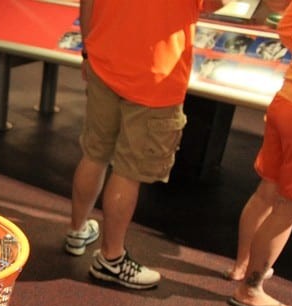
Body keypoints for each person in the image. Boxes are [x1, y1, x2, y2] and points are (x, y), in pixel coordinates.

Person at [64, 0, 205, 289]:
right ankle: (111, 259)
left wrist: (88, 52)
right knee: (128, 171)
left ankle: (77, 230)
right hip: (154, 74)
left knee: (95, 153)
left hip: (105, 59)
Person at [224, 0, 292, 306]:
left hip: (287, 100)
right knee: (291, 207)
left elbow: (287, 28)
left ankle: (242, 266)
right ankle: (250, 289)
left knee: (267, 191)